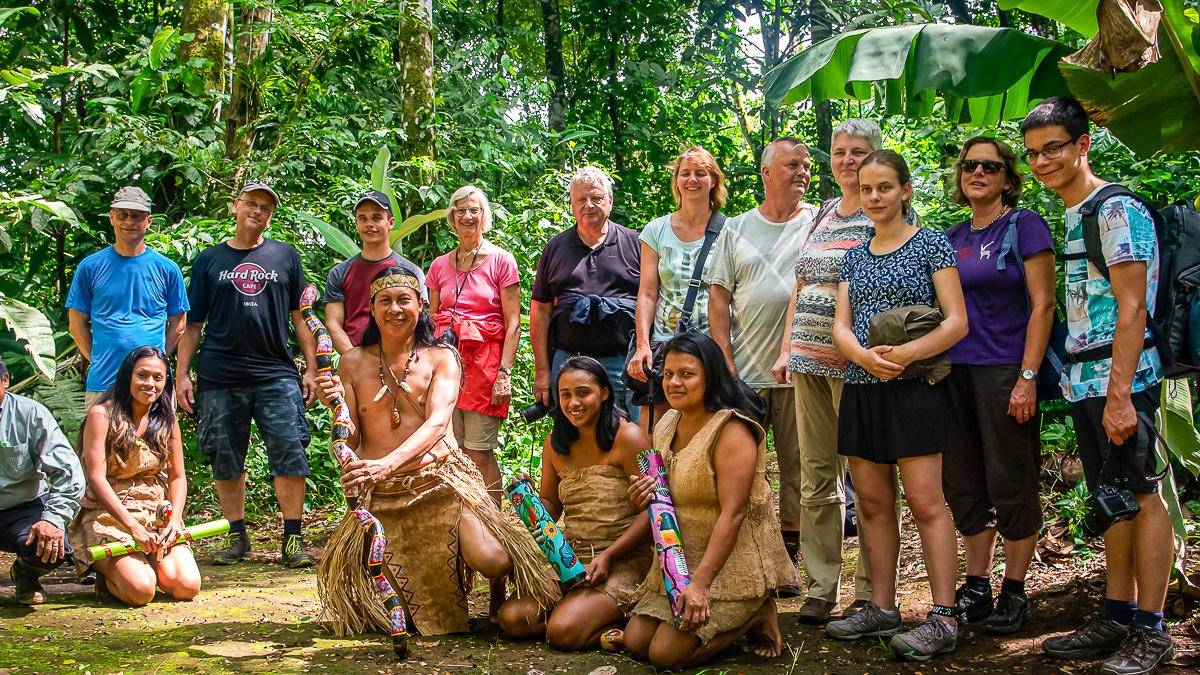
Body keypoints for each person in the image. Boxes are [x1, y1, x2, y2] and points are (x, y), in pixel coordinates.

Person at [315, 266, 558, 635]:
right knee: (406, 618)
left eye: (404, 300)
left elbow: (437, 424)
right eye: (385, 301)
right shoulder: (352, 363)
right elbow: (348, 440)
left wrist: (386, 464)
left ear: (421, 306)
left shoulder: (442, 357)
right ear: (372, 310)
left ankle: (498, 585)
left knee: (493, 560)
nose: (395, 309)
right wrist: (332, 408)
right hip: (385, 496)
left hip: (441, 483)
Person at [1023, 97, 1174, 675]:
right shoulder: (1075, 212)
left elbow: (1133, 307)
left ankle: (1151, 629)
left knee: (1141, 493)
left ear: (1083, 144)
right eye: (1034, 153)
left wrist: (1118, 397)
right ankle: (1116, 612)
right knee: (1109, 495)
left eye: (1054, 148)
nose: (1042, 162)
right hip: (1088, 377)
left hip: (1124, 378)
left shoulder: (1115, 211)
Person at [824, 150, 968, 661]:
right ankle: (881, 608)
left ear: (905, 191)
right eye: (867, 189)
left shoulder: (930, 243)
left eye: (885, 187)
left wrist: (906, 354)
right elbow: (841, 323)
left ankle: (945, 615)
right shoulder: (856, 254)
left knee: (927, 504)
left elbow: (956, 321)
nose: (875, 197)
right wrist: (861, 354)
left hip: (916, 388)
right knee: (874, 504)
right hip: (864, 388)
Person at [769, 119, 892, 622]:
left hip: (859, 366)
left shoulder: (884, 212)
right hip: (806, 360)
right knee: (817, 475)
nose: (847, 160)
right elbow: (801, 286)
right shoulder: (821, 213)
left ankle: (870, 588)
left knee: (868, 478)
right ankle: (822, 586)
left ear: (876, 158)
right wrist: (784, 350)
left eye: (858, 152)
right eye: (840, 152)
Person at [624, 332, 797, 669]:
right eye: (668, 374)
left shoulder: (731, 430)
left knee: (665, 655)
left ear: (711, 376)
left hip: (728, 569)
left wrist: (701, 584)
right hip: (678, 567)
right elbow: (661, 499)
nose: (674, 383)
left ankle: (755, 613)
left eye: (687, 374)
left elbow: (734, 513)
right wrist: (641, 494)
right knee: (636, 642)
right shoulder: (666, 422)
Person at [942, 136, 1055, 634]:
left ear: (1008, 178)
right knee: (963, 480)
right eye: (970, 166)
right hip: (953, 373)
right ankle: (978, 585)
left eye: (990, 166)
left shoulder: (1024, 225)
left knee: (1010, 476)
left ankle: (1015, 590)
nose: (978, 173)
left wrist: (1028, 377)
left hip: (1006, 369)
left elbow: (1044, 304)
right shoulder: (949, 236)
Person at [175, 181, 319, 569]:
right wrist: (181, 374)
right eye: (251, 203)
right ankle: (237, 537)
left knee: (289, 449)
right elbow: (193, 324)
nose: (257, 211)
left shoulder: (285, 256)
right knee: (225, 455)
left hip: (276, 371)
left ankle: (292, 538)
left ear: (270, 216)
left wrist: (312, 369)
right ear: (236, 206)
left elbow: (300, 317)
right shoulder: (209, 260)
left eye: (266, 207)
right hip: (220, 373)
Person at [704, 136, 815, 570]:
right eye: (792, 165)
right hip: (746, 374)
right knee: (745, 472)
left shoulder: (817, 221)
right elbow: (718, 298)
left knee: (800, 468)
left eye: (806, 165)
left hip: (803, 366)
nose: (802, 172)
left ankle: (790, 558)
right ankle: (753, 554)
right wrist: (726, 363)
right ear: (767, 173)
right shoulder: (736, 228)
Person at [497, 356, 653, 648]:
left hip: (623, 558)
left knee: (562, 632)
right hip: (571, 558)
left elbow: (654, 512)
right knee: (514, 618)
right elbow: (551, 504)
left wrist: (609, 556)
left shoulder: (630, 437)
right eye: (565, 395)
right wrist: (534, 507)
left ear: (604, 392)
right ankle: (585, 613)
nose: (574, 403)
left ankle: (618, 625)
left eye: (583, 392)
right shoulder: (554, 443)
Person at [426, 184, 520, 617]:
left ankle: (492, 531)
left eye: (475, 210)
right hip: (448, 365)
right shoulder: (440, 266)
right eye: (461, 210)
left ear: (486, 216)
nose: (468, 217)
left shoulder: (501, 260)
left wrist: (505, 372)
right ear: (451, 218)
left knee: (480, 453)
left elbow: (514, 319)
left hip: (484, 367)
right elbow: (429, 320)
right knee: (452, 452)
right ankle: (459, 538)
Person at [70, 346, 200, 606]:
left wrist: (174, 520)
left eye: (158, 377)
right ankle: (110, 575)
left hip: (155, 511)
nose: (150, 384)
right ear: (128, 376)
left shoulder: (167, 419)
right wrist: (132, 526)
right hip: (111, 513)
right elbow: (96, 478)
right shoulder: (102, 415)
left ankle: (147, 561)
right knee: (140, 591)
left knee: (186, 587)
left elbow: (178, 477)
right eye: (142, 375)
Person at [627, 147, 727, 428]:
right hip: (665, 344)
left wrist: (726, 354)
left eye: (700, 173)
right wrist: (642, 345)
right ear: (677, 181)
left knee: (704, 426)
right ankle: (653, 475)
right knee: (654, 428)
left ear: (713, 181)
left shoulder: (729, 231)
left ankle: (695, 475)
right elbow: (647, 292)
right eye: (685, 174)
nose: (692, 180)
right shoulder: (656, 231)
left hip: (710, 346)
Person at [531, 166, 641, 421]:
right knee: (569, 438)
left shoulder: (634, 242)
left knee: (636, 435)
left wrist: (645, 350)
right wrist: (542, 371)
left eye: (596, 198)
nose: (589, 205)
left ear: (610, 201)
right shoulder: (556, 247)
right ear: (571, 205)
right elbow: (541, 312)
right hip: (568, 361)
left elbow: (650, 300)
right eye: (581, 199)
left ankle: (654, 464)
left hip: (624, 362)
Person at [66, 187, 189, 409]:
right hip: (104, 382)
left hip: (153, 385)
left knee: (157, 443)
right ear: (112, 217)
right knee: (100, 443)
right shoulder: (90, 267)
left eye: (137, 216)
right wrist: (98, 358)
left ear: (148, 221)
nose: (129, 222)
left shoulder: (167, 269)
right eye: (123, 214)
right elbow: (76, 324)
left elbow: (179, 324)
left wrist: (157, 359)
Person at [0, 356, 85, 605]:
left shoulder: (30, 414)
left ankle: (26, 574)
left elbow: (69, 473)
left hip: (22, 509)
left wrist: (52, 520)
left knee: (51, 546)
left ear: (5, 380)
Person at [324, 190, 425, 354]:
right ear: (356, 224)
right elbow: (333, 323)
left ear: (391, 222)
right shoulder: (340, 272)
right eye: (362, 218)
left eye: (377, 218)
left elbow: (419, 319)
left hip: (399, 358)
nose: (369, 224)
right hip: (353, 355)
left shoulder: (411, 271)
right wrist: (354, 360)